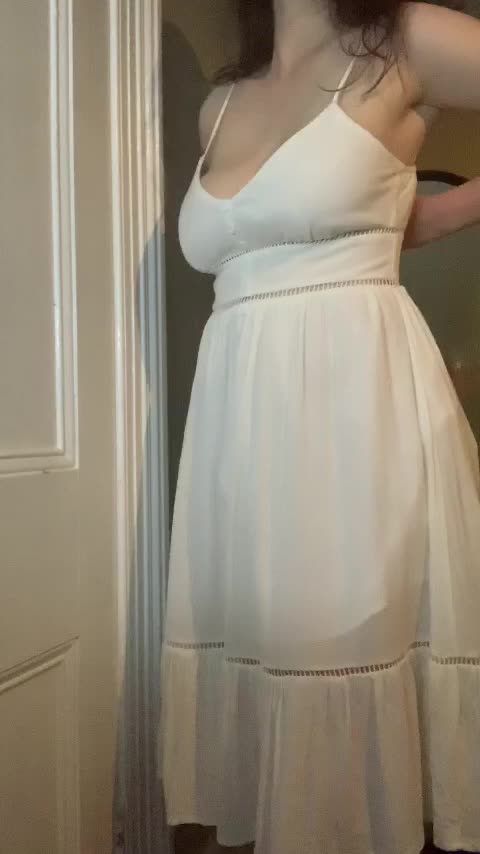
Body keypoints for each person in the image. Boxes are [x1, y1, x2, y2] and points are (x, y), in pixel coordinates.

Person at [159, 1, 480, 852]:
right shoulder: (219, 105)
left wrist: (439, 213)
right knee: (273, 658)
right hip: (240, 435)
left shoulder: (405, 39)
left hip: (356, 424)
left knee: (339, 652)